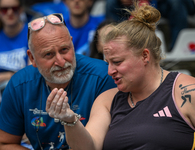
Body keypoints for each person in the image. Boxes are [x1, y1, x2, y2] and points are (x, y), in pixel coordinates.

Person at [46, 2, 195, 150]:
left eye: (117, 62)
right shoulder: (107, 100)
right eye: (108, 63)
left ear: (145, 56)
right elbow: (88, 147)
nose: (110, 71)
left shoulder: (188, 92)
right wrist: (69, 120)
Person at [0, 13, 116, 150]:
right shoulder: (19, 85)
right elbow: (5, 143)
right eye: (49, 54)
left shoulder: (103, 76)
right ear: (32, 58)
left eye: (64, 49)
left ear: (72, 44)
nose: (61, 62)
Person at [0, 0, 29, 102]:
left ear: (21, 10)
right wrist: (11, 75)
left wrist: (8, 76)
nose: (9, 12)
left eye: (14, 8)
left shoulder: (31, 34)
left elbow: (31, 74)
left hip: (24, 95)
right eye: (4, 9)